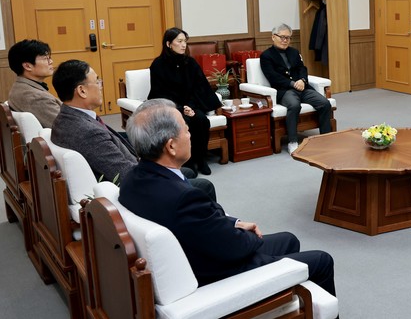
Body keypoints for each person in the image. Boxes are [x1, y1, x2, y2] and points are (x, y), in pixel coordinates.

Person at [119, 98, 337, 294]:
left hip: (193, 254)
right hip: (219, 273)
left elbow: (201, 226)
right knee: (322, 260)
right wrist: (244, 234)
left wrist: (234, 223)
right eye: (186, 130)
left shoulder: (131, 179)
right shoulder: (183, 199)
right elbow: (233, 247)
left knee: (289, 239)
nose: (190, 134)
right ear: (171, 146)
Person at [50, 59, 216, 200]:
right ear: (82, 90)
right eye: (97, 81)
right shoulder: (88, 132)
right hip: (135, 189)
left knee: (187, 172)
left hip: (129, 171)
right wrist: (158, 167)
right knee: (205, 186)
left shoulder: (65, 117)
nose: (101, 86)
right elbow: (124, 175)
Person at [148, 27, 222, 176]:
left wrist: (191, 106)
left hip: (191, 105)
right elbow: (160, 93)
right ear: (169, 44)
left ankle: (201, 159)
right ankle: (188, 162)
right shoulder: (158, 65)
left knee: (201, 120)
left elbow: (199, 88)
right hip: (170, 108)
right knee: (184, 123)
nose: (184, 45)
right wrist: (181, 108)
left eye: (185, 42)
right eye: (180, 41)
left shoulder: (190, 63)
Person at [260, 23, 332, 154]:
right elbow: (273, 77)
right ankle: (292, 141)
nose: (285, 40)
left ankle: (325, 138)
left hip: (302, 88)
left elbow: (302, 69)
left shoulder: (294, 52)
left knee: (324, 103)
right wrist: (293, 83)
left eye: (288, 37)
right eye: (282, 37)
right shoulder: (266, 56)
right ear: (273, 37)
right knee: (294, 105)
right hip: (284, 90)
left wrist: (303, 80)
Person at [7, 39, 62, 127]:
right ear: (27, 66)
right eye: (46, 58)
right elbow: (67, 126)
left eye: (49, 58)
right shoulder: (37, 98)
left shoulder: (20, 87)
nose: (51, 62)